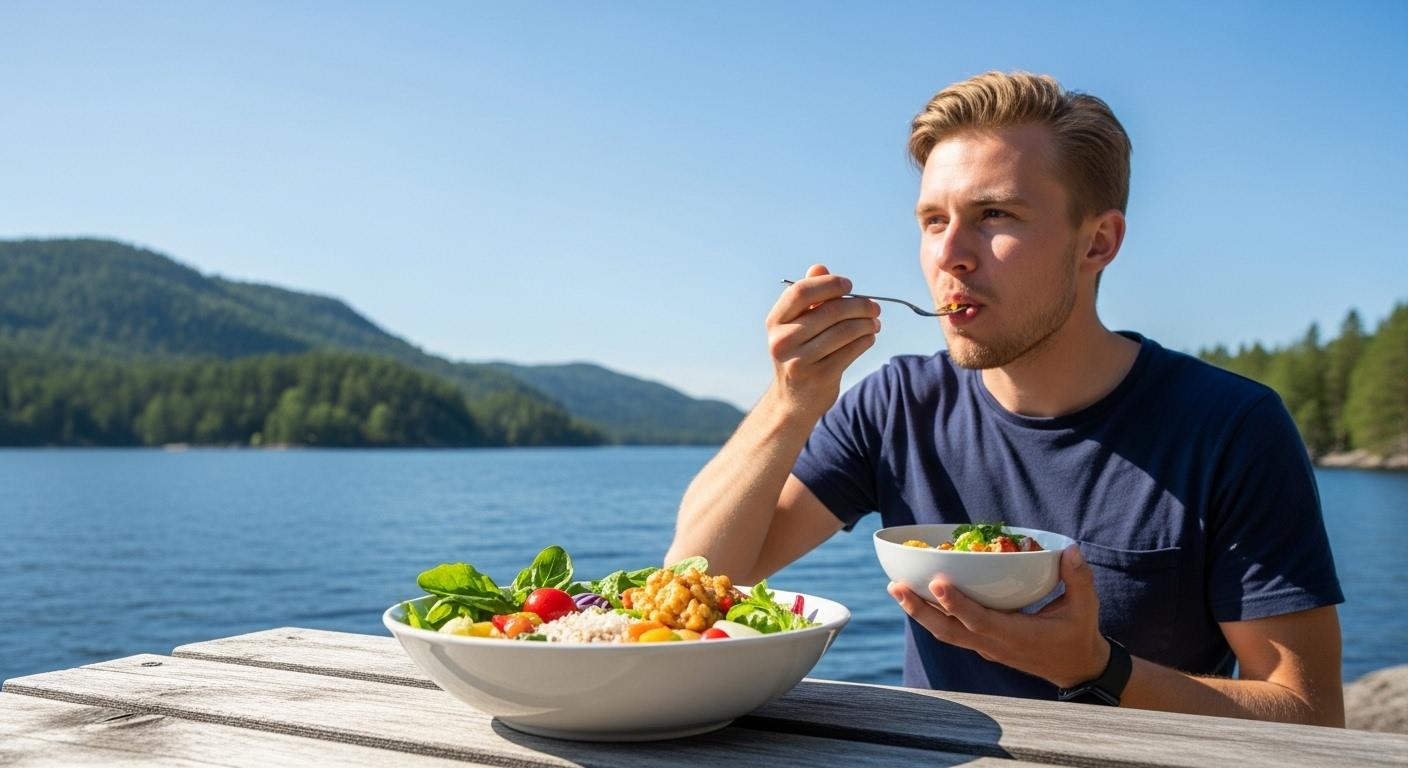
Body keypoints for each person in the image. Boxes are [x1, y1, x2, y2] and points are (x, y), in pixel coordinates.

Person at [666, 71, 1345, 726]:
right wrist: (789, 401)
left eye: (994, 214)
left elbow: (1310, 717)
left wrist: (1097, 668)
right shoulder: (899, 405)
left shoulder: (1228, 428)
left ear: (1098, 242)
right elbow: (696, 576)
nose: (950, 255)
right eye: (934, 221)